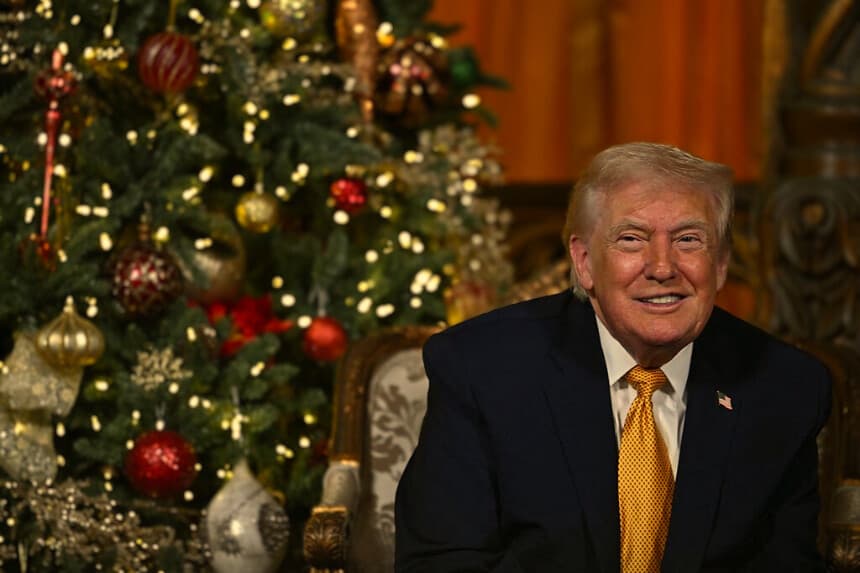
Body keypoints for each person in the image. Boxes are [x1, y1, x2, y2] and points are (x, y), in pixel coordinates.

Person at [394, 142, 832, 572]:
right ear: (584, 263)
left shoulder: (784, 389)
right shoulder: (483, 369)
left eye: (688, 239)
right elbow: (441, 560)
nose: (662, 267)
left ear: (719, 264)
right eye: (631, 239)